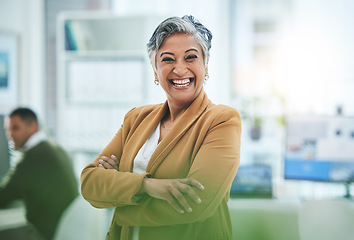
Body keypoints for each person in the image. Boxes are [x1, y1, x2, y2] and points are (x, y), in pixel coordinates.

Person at [81, 15, 241, 240]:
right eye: (168, 59)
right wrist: (148, 186)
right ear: (155, 72)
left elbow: (196, 203)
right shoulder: (136, 118)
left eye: (190, 57)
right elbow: (90, 183)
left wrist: (119, 199)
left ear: (205, 67)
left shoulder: (221, 120)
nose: (180, 69)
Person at [0, 107, 78, 240]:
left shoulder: (33, 156)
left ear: (32, 126)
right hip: (62, 228)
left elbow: (3, 197)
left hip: (44, 233)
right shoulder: (54, 148)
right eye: (8, 130)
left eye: (15, 128)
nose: (9, 135)